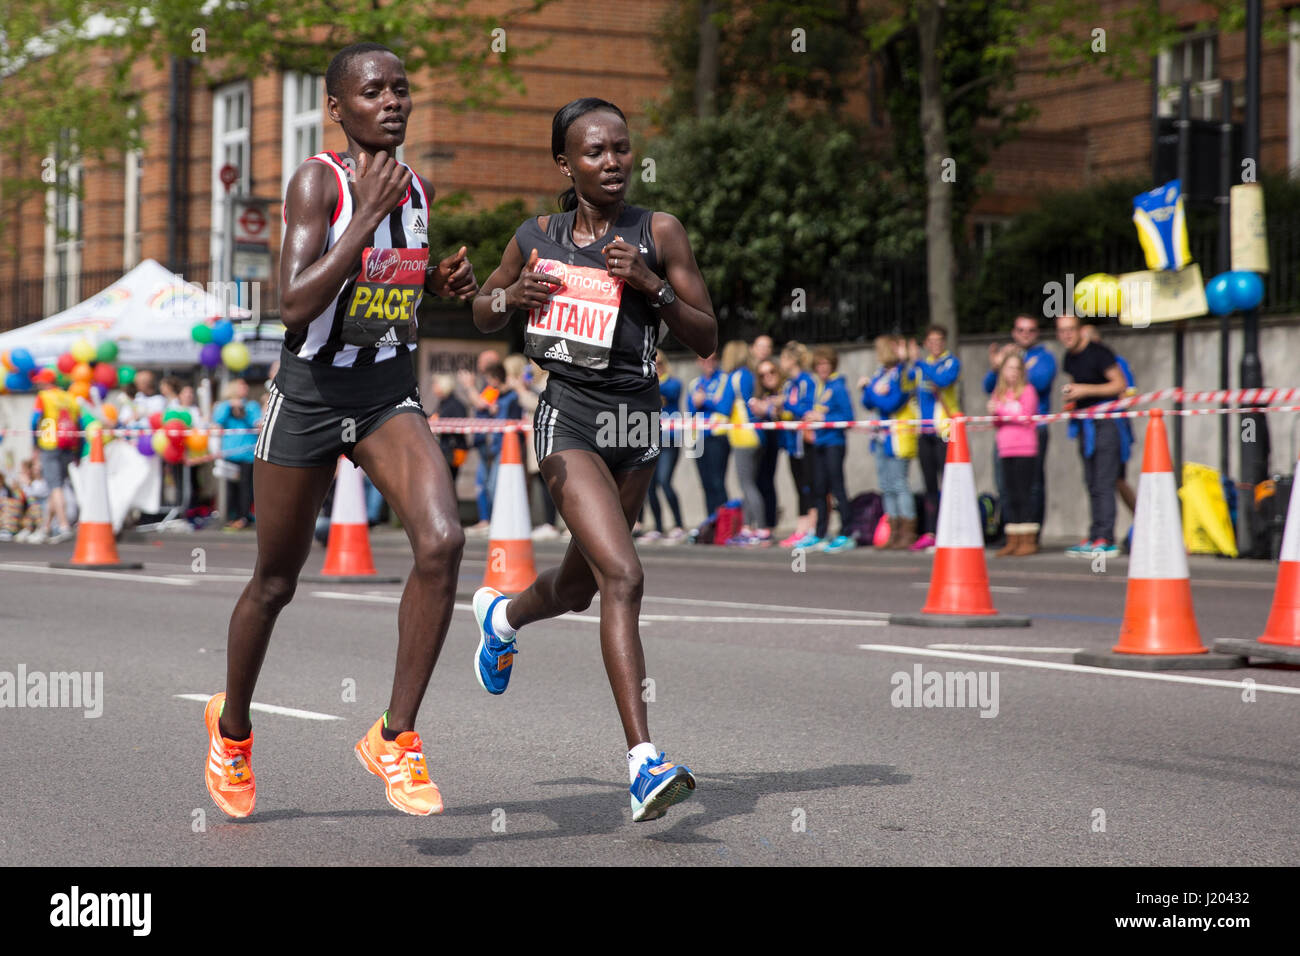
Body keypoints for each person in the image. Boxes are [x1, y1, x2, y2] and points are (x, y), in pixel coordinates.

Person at [203, 42, 479, 820]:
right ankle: (232, 732)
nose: (391, 101)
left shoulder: (416, 187)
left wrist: (441, 279)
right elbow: (291, 304)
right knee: (276, 582)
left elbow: (392, 276)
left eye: (400, 89)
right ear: (338, 108)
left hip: (387, 392)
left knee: (444, 540)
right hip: (311, 393)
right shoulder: (317, 184)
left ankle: (395, 736)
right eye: (372, 91)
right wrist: (363, 216)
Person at [469, 97, 713, 821]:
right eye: (595, 153)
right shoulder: (537, 234)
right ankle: (643, 761)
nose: (612, 163)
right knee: (624, 576)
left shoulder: (658, 231)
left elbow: (704, 334)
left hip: (638, 421)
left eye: (622, 149)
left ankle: (502, 619)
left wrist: (652, 285)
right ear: (565, 164)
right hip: (569, 416)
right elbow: (483, 305)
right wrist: (511, 294)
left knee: (580, 589)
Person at [1056, 313, 1128, 555]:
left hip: (1107, 423)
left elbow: (1120, 385)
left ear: (1080, 330)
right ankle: (1095, 533)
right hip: (1085, 424)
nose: (1066, 335)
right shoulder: (1069, 357)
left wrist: (1085, 390)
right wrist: (1071, 399)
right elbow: (1075, 383)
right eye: (1061, 331)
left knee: (1104, 481)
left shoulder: (1099, 353)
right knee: (1090, 482)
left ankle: (1106, 538)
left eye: (1070, 330)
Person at [984, 314, 1056, 540]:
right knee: (1006, 485)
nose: (1025, 334)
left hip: (1033, 433)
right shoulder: (1006, 359)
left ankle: (1030, 534)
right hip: (1006, 438)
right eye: (1021, 330)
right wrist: (997, 368)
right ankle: (1011, 533)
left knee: (1032, 485)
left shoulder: (1044, 357)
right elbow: (989, 386)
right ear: (1014, 332)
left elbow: (1040, 382)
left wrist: (1015, 366)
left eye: (1031, 330)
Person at [861, 335, 918, 550]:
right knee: (885, 486)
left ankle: (908, 531)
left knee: (899, 484)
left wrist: (870, 391)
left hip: (898, 436)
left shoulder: (902, 375)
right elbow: (867, 402)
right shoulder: (880, 374)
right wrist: (871, 392)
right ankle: (893, 532)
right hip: (879, 437)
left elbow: (891, 403)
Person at [906, 324, 961, 551]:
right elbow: (905, 384)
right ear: (926, 343)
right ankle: (931, 531)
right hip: (924, 431)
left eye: (939, 340)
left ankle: (952, 531)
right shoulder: (920, 367)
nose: (935, 344)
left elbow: (942, 380)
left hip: (945, 430)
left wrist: (919, 362)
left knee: (948, 482)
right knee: (929, 485)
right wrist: (904, 362)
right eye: (931, 341)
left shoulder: (951, 362)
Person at [799, 345, 855, 552]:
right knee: (819, 488)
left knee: (837, 487)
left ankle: (847, 532)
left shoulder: (838, 387)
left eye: (826, 364)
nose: (822, 368)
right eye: (819, 364)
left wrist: (824, 418)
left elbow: (848, 417)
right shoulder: (817, 387)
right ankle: (821, 532)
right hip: (819, 443)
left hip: (834, 443)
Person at [1081, 324, 1138, 527]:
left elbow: (1128, 393)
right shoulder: (1083, 362)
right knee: (1100, 482)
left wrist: (1090, 392)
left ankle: (1144, 522)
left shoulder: (1114, 362)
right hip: (1090, 429)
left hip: (1113, 428)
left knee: (1114, 481)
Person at [987, 352, 1040, 556]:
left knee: (1024, 494)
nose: (1013, 372)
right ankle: (1012, 538)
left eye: (1017, 368)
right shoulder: (999, 393)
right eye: (1009, 368)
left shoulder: (1028, 391)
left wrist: (1000, 410)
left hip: (1025, 448)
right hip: (1005, 448)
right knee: (1008, 495)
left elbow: (1025, 417)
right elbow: (998, 422)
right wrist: (996, 412)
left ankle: (1027, 539)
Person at [718, 338, 767, 546]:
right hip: (757, 433)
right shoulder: (749, 375)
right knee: (750, 483)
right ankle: (748, 527)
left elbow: (723, 406)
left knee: (747, 485)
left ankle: (762, 528)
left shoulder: (735, 377)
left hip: (742, 435)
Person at [775, 342, 817, 548]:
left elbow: (806, 409)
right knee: (798, 485)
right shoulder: (788, 384)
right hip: (791, 442)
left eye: (783, 358)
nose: (781, 363)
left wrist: (786, 404)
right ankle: (801, 528)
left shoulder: (806, 381)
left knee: (808, 485)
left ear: (792, 360)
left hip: (804, 440)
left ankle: (811, 528)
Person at [642, 349, 686, 542]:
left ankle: (678, 524)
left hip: (669, 439)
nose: (656, 368)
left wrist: (647, 380)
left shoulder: (673, 383)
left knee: (664, 481)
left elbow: (669, 392)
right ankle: (658, 527)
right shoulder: (648, 384)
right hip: (649, 438)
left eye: (658, 364)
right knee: (649, 486)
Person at [29, 380, 80, 543]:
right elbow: (80, 423)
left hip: (50, 443)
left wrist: (35, 444)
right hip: (68, 445)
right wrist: (77, 451)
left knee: (55, 486)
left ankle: (64, 526)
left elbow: (34, 420)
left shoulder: (43, 397)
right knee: (56, 485)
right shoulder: (70, 397)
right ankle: (45, 528)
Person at [211, 378, 262, 530]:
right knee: (230, 488)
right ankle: (230, 516)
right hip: (230, 453)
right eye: (241, 386)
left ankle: (243, 517)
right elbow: (217, 421)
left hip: (247, 453)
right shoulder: (224, 406)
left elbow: (256, 422)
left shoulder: (251, 405)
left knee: (246, 487)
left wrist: (243, 410)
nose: (245, 388)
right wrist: (230, 406)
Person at [687, 350, 730, 516]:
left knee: (718, 481)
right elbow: (690, 410)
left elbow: (724, 408)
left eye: (712, 360)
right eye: (703, 360)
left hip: (717, 436)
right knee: (705, 484)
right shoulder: (695, 383)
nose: (708, 363)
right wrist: (701, 402)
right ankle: (711, 522)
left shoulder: (724, 379)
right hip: (698, 438)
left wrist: (705, 401)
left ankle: (724, 523)